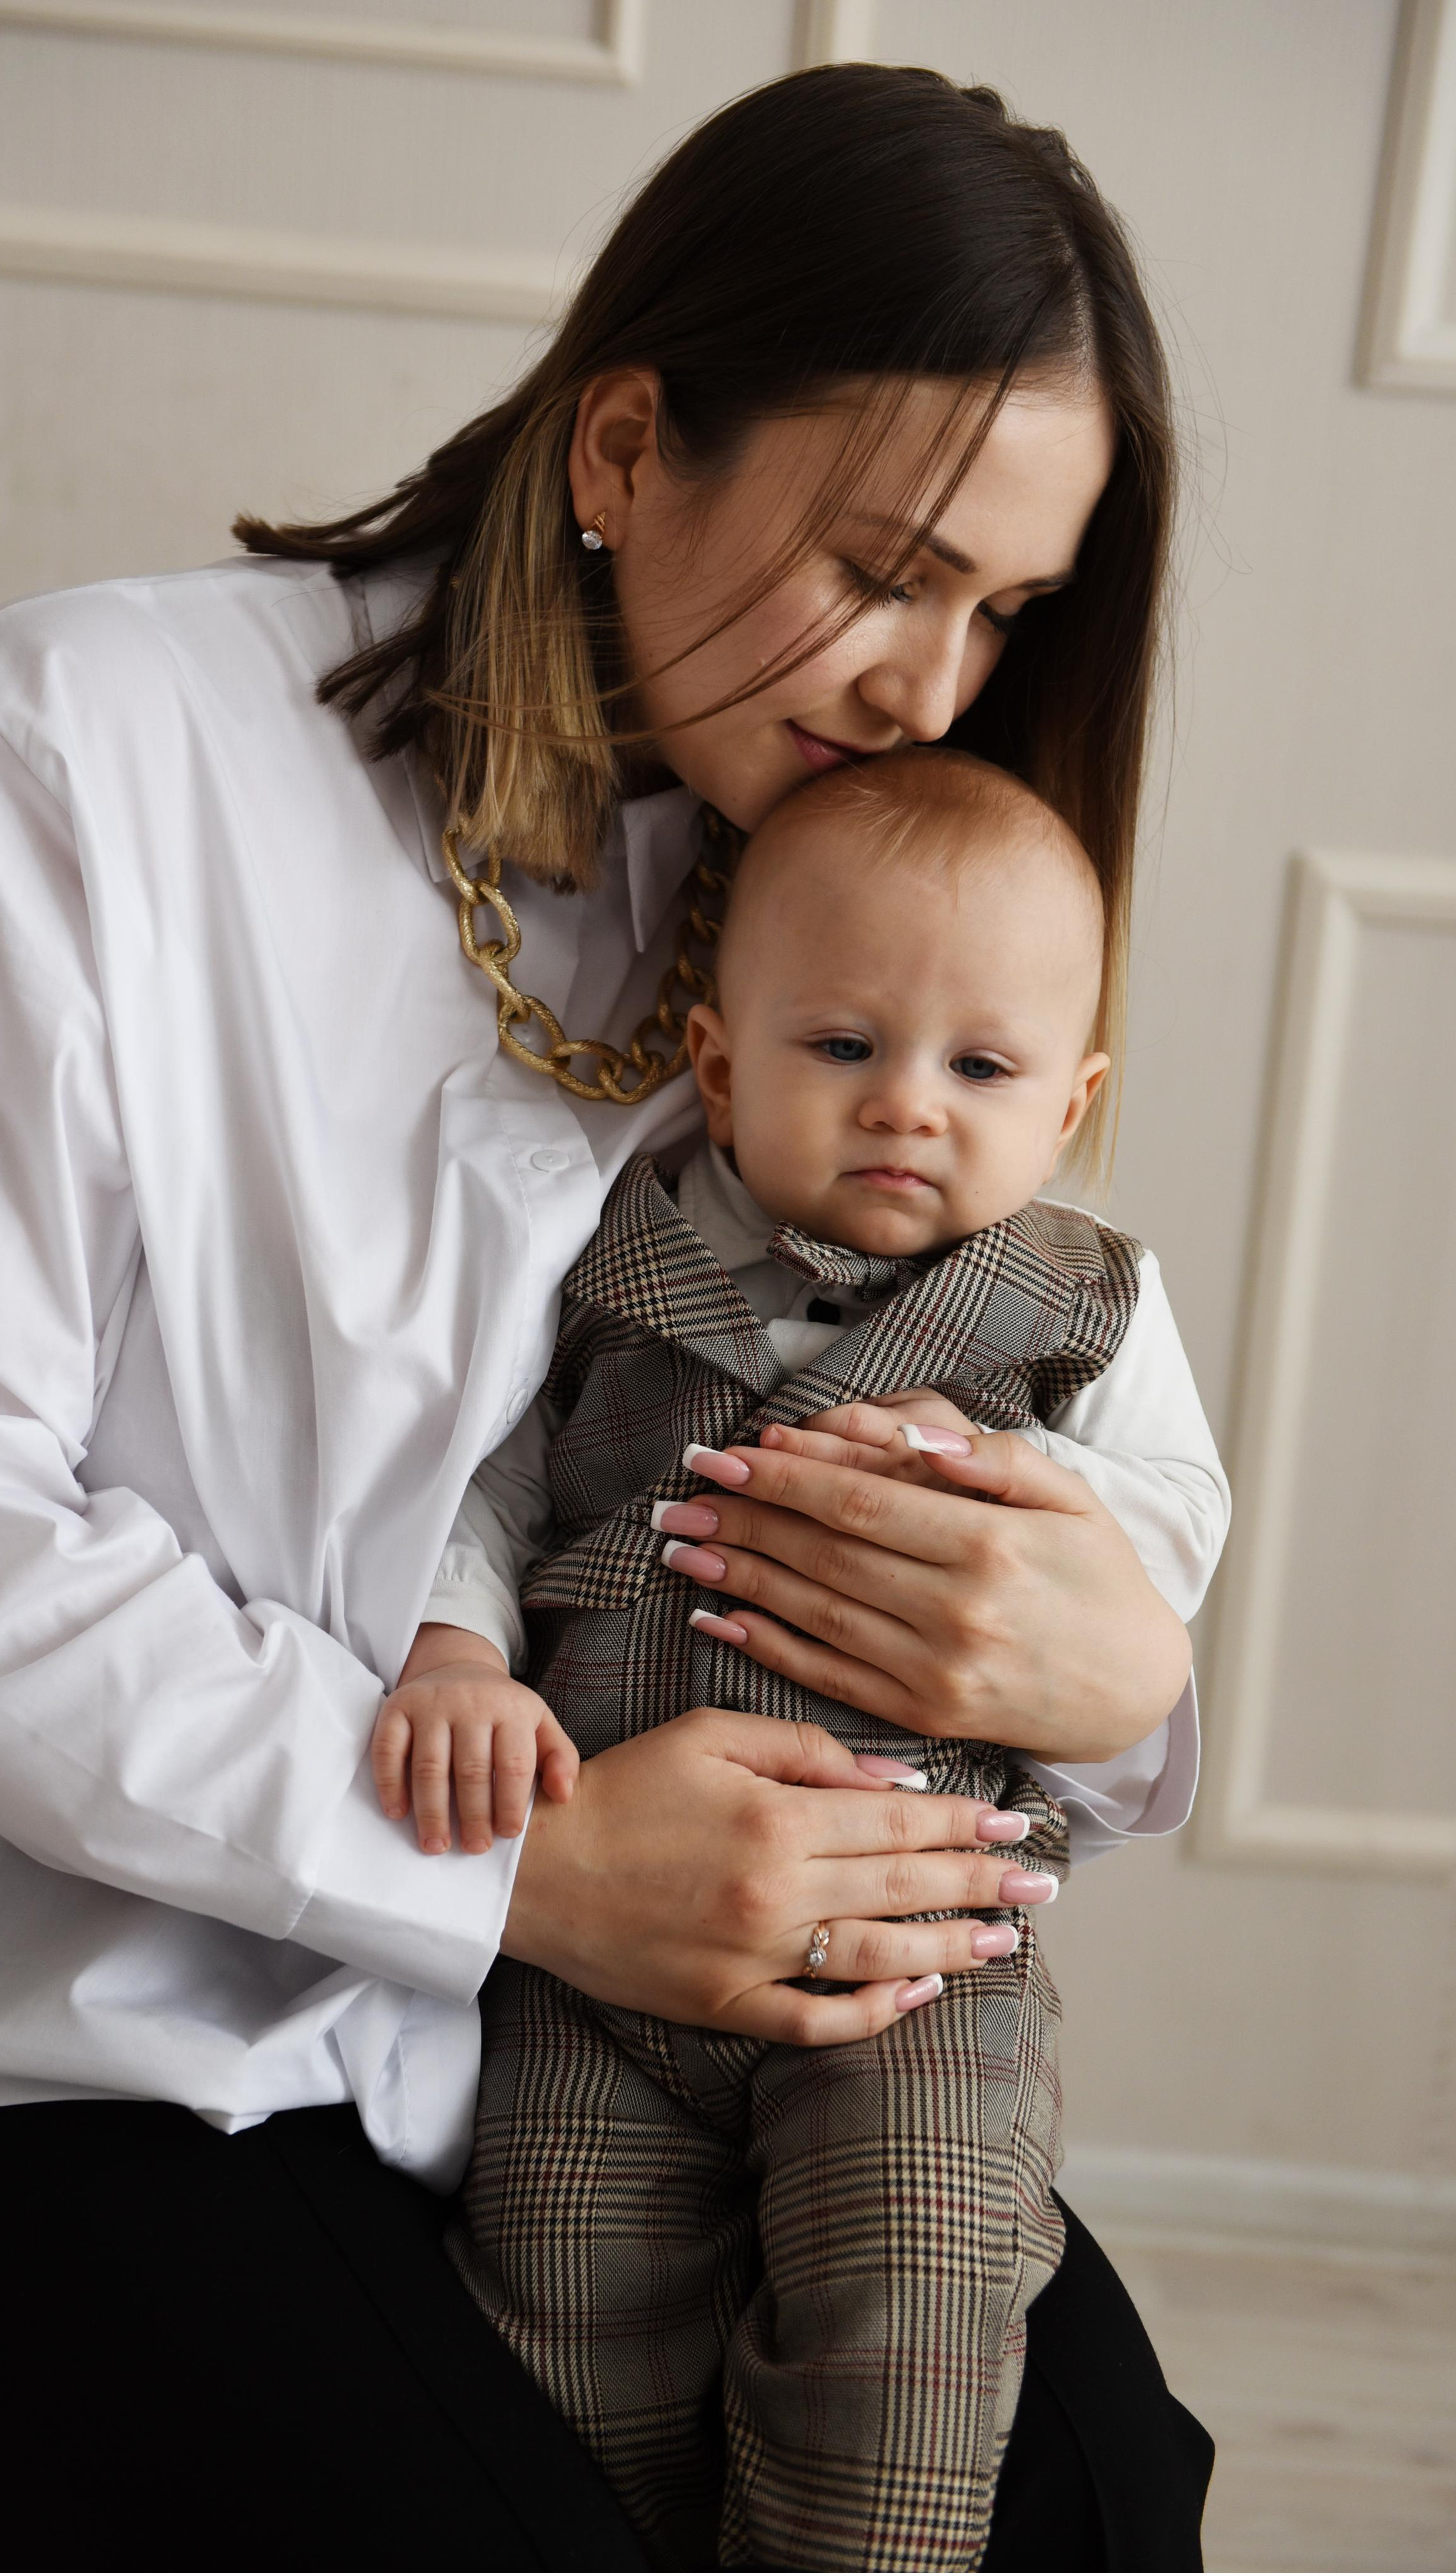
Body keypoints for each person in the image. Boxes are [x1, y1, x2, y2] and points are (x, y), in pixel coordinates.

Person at [0, 62, 1214, 2573]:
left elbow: (1037, 1438)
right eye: (888, 569)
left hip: (629, 2046)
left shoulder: (854, 900)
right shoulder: (79, 749)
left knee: (1093, 2501)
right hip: (51, 2041)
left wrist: (1118, 1680)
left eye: (1007, 613)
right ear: (625, 442)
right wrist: (526, 1875)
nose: (935, 684)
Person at [379, 747, 1227, 2572]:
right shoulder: (609, 1262)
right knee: (561, 2331)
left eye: (981, 1069)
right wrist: (455, 1647)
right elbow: (492, 1483)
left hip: (918, 1949)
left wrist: (1020, 1489)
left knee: (911, 2304)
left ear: (1072, 1098)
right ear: (717, 1061)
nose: (906, 1102)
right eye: (843, 1045)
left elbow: (1171, 1534)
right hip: (595, 1955)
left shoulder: (1087, 1300)